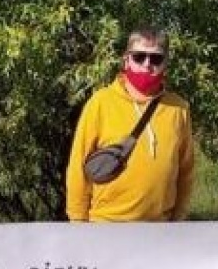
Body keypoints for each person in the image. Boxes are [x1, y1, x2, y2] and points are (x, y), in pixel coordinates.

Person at [65, 27, 195, 222]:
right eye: (139, 57)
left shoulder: (178, 109)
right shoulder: (100, 103)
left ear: (165, 63)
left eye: (156, 58)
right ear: (126, 60)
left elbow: (186, 171)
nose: (147, 64)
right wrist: (77, 221)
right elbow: (77, 166)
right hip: (106, 226)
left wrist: (178, 219)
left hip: (160, 230)